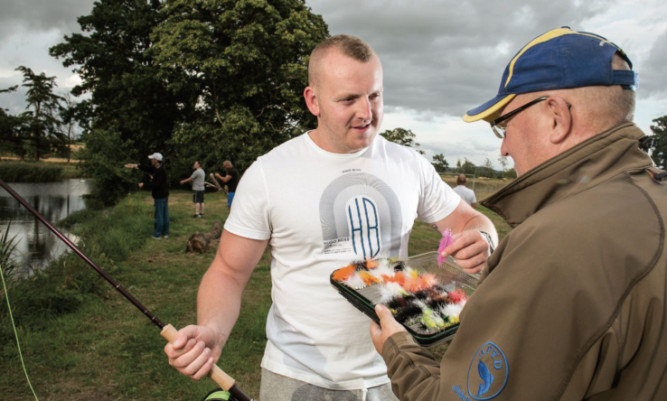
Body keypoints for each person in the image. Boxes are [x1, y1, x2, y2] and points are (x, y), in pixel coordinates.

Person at [164, 34, 497, 401]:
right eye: (348, 99)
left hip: (398, 372)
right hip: (299, 377)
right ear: (313, 101)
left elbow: (470, 221)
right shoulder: (268, 173)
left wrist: (484, 239)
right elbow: (228, 271)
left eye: (375, 96)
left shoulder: (409, 164)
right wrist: (213, 329)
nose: (366, 113)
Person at [369, 27, 667, 400]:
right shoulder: (652, 199)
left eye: (504, 125)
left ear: (557, 115)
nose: (504, 149)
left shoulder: (559, 243)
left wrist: (398, 349)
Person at [125, 152, 169, 239]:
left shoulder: (160, 171)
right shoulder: (157, 168)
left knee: (159, 215)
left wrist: (144, 184)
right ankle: (165, 233)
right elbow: (147, 169)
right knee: (164, 214)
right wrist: (135, 165)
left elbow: (156, 184)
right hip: (164, 195)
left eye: (152, 159)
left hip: (160, 196)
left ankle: (157, 234)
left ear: (156, 161)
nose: (151, 160)